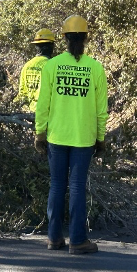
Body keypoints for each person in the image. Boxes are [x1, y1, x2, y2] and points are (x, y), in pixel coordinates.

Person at [35, 15, 108, 254]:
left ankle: (54, 239)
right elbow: (101, 109)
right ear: (86, 38)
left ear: (63, 38)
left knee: (57, 185)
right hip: (84, 137)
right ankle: (78, 241)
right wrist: (100, 137)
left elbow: (43, 103)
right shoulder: (95, 68)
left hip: (56, 135)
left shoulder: (52, 66)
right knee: (76, 186)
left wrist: (40, 133)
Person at [15, 28, 56, 113]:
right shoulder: (52, 66)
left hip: (29, 114)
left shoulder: (27, 66)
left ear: (36, 46)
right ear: (51, 46)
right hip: (46, 114)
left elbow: (22, 93)